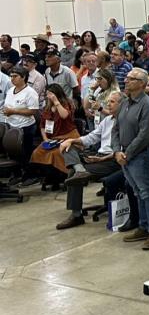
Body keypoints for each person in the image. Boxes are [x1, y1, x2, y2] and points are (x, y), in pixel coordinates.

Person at [56, 92, 124, 229]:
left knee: (72, 174)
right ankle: (80, 169)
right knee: (68, 147)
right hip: (98, 155)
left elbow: (124, 150)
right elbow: (91, 138)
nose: (108, 105)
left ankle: (76, 215)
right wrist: (72, 140)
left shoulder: (127, 121)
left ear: (122, 104)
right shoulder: (107, 120)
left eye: (112, 102)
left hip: (113, 160)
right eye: (108, 101)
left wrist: (103, 158)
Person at [112, 68, 149, 249]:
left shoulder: (148, 104)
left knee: (147, 193)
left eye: (131, 79)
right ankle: (143, 226)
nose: (127, 80)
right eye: (127, 78)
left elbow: (145, 135)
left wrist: (127, 153)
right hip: (125, 155)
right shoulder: (125, 102)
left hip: (140, 155)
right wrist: (117, 151)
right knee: (137, 192)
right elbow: (115, 129)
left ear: (141, 83)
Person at [25, 84, 79, 187]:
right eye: (47, 94)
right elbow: (42, 126)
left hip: (69, 137)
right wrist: (45, 139)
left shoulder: (66, 103)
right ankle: (51, 176)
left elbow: (64, 116)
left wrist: (56, 102)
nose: (48, 96)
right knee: (38, 152)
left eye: (51, 94)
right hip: (53, 139)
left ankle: (63, 176)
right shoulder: (47, 107)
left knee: (55, 153)